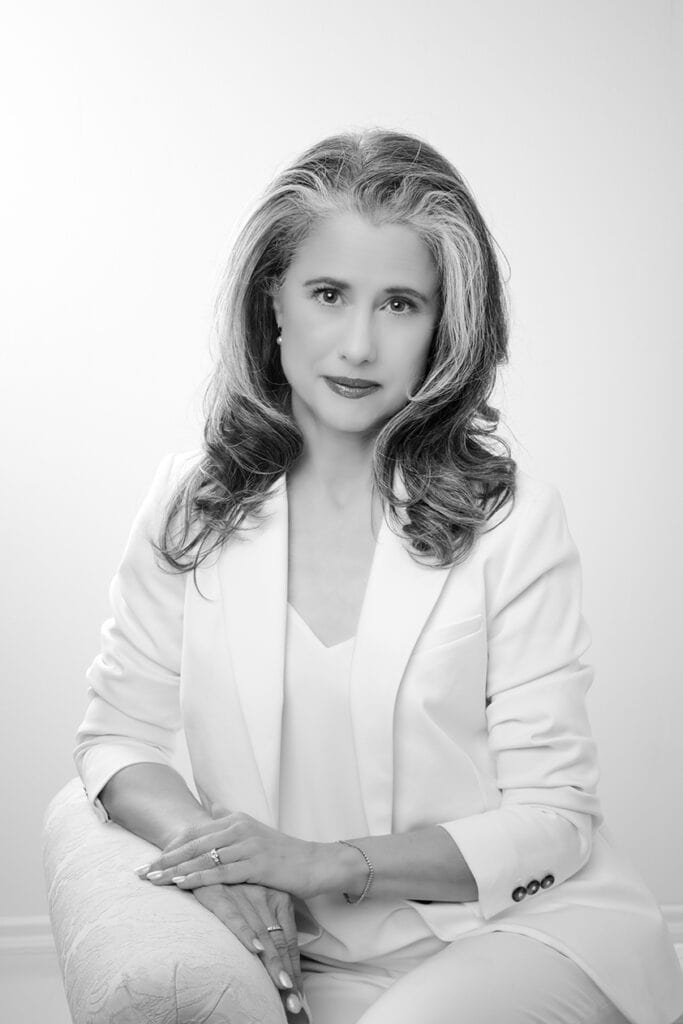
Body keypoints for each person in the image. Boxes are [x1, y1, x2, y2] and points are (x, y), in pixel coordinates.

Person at [73, 128, 683, 1024]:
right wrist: (217, 860)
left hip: (506, 930)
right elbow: (115, 740)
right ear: (271, 302)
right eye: (328, 293)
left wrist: (321, 863)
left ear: (445, 327)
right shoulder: (190, 504)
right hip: (310, 952)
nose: (358, 344)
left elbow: (554, 815)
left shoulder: (511, 520)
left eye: (400, 304)